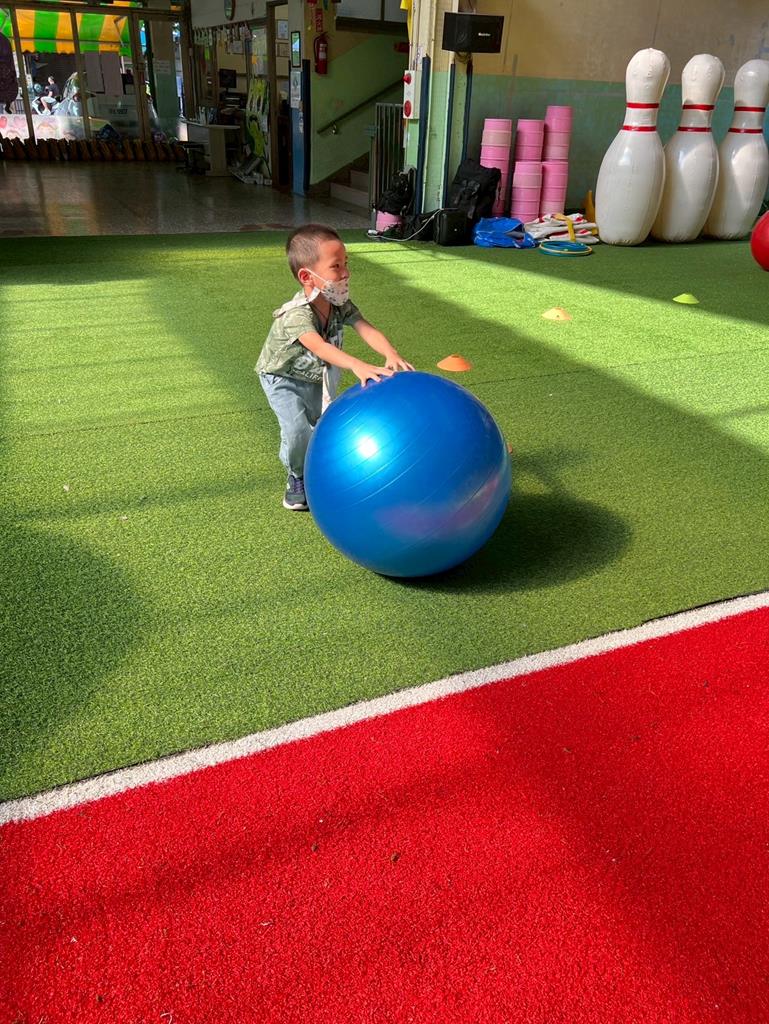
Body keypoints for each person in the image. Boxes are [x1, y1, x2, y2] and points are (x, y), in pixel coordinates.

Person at [256, 223, 414, 511]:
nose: (345, 273)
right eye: (336, 266)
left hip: (314, 375)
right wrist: (357, 365)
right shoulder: (296, 315)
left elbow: (365, 327)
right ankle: (297, 475)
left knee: (321, 425)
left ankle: (321, 468)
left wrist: (390, 353)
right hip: (281, 378)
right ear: (307, 276)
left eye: (346, 264)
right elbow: (319, 347)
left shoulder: (339, 304)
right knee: (297, 430)